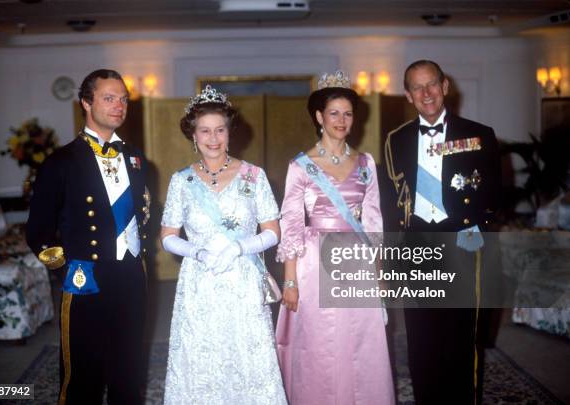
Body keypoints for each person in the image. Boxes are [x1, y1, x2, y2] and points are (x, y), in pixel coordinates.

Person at [26, 69, 150, 405]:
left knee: (129, 369)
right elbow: (37, 231)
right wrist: (67, 270)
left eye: (123, 99)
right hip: (86, 278)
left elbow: (143, 217)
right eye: (109, 98)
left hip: (130, 276)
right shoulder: (61, 161)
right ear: (86, 102)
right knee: (83, 374)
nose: (119, 105)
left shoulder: (136, 160)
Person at [160, 85, 287, 404]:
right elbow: (168, 237)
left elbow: (273, 231)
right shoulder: (181, 181)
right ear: (193, 134)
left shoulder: (254, 176)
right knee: (202, 359)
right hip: (200, 282)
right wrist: (197, 251)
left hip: (242, 281)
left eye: (220, 130)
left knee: (244, 358)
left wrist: (240, 247)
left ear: (231, 133)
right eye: (205, 131)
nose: (213, 138)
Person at [384, 60, 501, 404]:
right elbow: (392, 202)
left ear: (445, 85)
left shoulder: (479, 135)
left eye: (432, 84)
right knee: (421, 339)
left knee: (461, 337)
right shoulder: (396, 140)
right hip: (417, 245)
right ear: (408, 95)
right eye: (417, 88)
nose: (426, 93)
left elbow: (494, 192)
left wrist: (478, 225)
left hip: (461, 241)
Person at [275, 71, 395, 405]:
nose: (341, 120)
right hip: (315, 263)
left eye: (348, 113)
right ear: (318, 116)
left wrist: (380, 270)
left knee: (359, 339)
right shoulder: (301, 166)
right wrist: (289, 281)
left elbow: (373, 220)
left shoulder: (366, 162)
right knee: (320, 341)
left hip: (356, 260)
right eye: (333, 113)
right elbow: (292, 224)